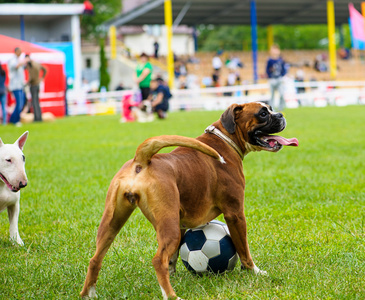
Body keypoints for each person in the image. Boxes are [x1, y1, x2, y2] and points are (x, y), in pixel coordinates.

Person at [24, 54, 47, 122]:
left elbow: (32, 77)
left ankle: (37, 118)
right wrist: (42, 78)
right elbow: (45, 70)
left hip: (33, 84)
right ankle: (39, 117)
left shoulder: (31, 65)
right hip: (37, 84)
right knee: (37, 101)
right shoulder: (37, 63)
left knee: (34, 102)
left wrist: (28, 83)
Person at [8, 47, 26, 126]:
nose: (20, 53)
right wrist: (24, 61)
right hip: (15, 86)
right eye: (19, 52)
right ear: (16, 52)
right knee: (19, 104)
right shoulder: (13, 60)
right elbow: (16, 66)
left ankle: (13, 119)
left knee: (20, 103)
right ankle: (15, 120)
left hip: (20, 85)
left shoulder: (19, 60)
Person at [266, 44, 287, 111]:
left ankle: (281, 108)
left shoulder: (280, 60)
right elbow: (267, 70)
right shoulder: (269, 60)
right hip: (272, 79)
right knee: (272, 95)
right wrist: (269, 76)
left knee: (281, 94)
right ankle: (272, 109)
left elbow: (284, 69)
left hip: (279, 79)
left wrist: (282, 76)